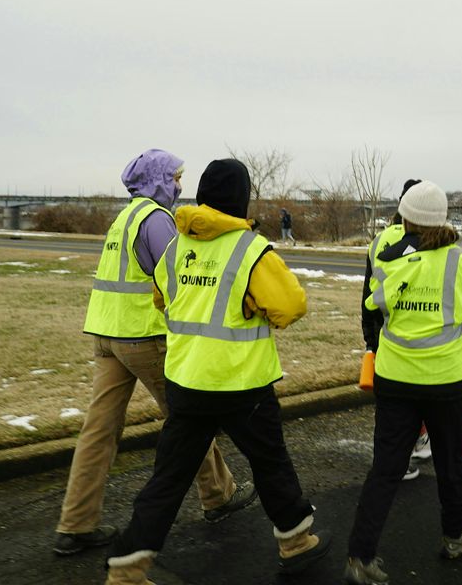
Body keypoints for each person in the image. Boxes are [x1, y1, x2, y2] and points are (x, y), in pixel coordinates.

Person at [104, 159, 328, 584]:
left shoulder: (175, 247)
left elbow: (160, 298)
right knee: (270, 463)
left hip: (187, 383)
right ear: (240, 200)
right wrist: (255, 306)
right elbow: (291, 306)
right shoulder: (250, 249)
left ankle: (127, 569)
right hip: (243, 384)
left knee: (167, 479)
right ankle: (296, 542)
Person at [54, 149, 253, 557]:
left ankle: (75, 524)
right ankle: (217, 497)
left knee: (99, 431)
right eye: (176, 177)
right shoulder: (156, 220)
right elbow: (176, 278)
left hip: (106, 336)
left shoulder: (124, 217)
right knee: (188, 419)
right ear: (160, 179)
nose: (180, 185)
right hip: (142, 338)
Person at [345, 181, 462, 585]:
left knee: (386, 469)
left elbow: (373, 308)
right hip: (445, 381)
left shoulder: (388, 258)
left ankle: (360, 555)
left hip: (395, 378)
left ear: (406, 217)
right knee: (449, 462)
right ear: (443, 219)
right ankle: (455, 534)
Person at [360, 178, 428, 480]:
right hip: (411, 327)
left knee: (390, 401)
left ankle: (399, 452)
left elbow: (366, 294)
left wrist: (369, 339)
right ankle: (404, 453)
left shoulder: (379, 241)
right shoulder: (424, 240)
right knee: (414, 394)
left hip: (380, 327)